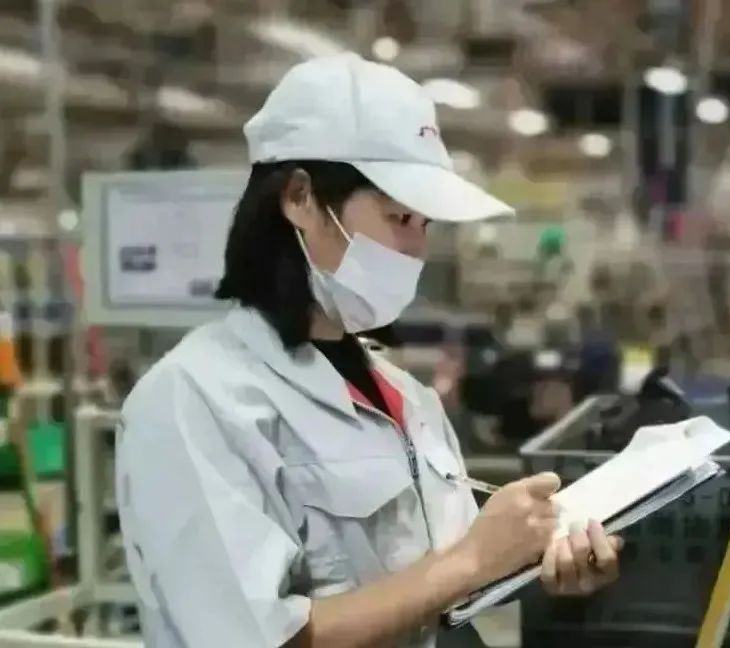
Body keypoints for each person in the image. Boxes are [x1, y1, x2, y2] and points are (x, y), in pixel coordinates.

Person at [116, 53, 623, 648]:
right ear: (300, 198)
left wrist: (544, 562)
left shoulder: (406, 397)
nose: (416, 249)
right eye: (398, 217)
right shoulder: (194, 400)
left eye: (425, 225)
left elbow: (446, 588)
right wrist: (471, 561)